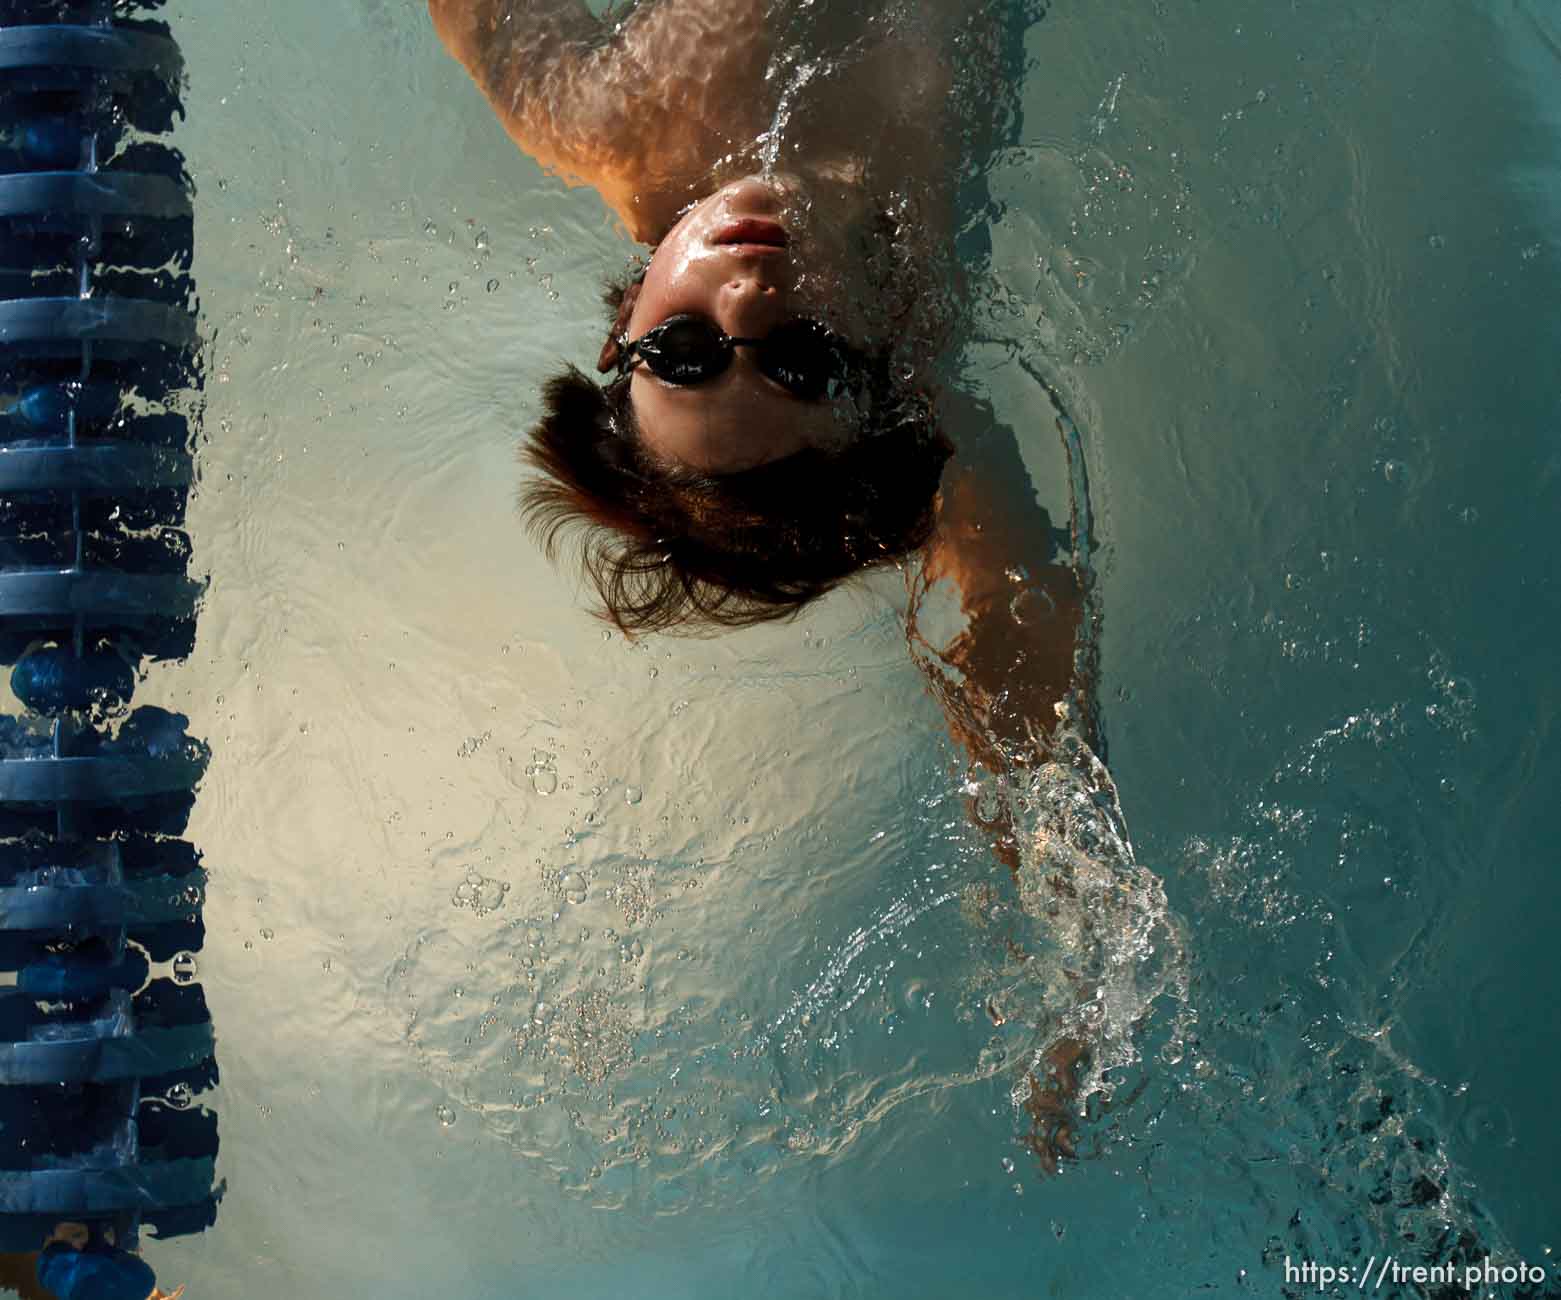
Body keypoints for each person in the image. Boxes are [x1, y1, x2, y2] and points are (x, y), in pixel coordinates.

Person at [429, 0, 1095, 1166]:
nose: (742, 297)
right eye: (800, 359)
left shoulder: (606, 119)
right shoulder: (921, 342)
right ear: (881, 391)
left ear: (620, 336)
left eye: (684, 355)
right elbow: (1017, 617)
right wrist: (1075, 951)